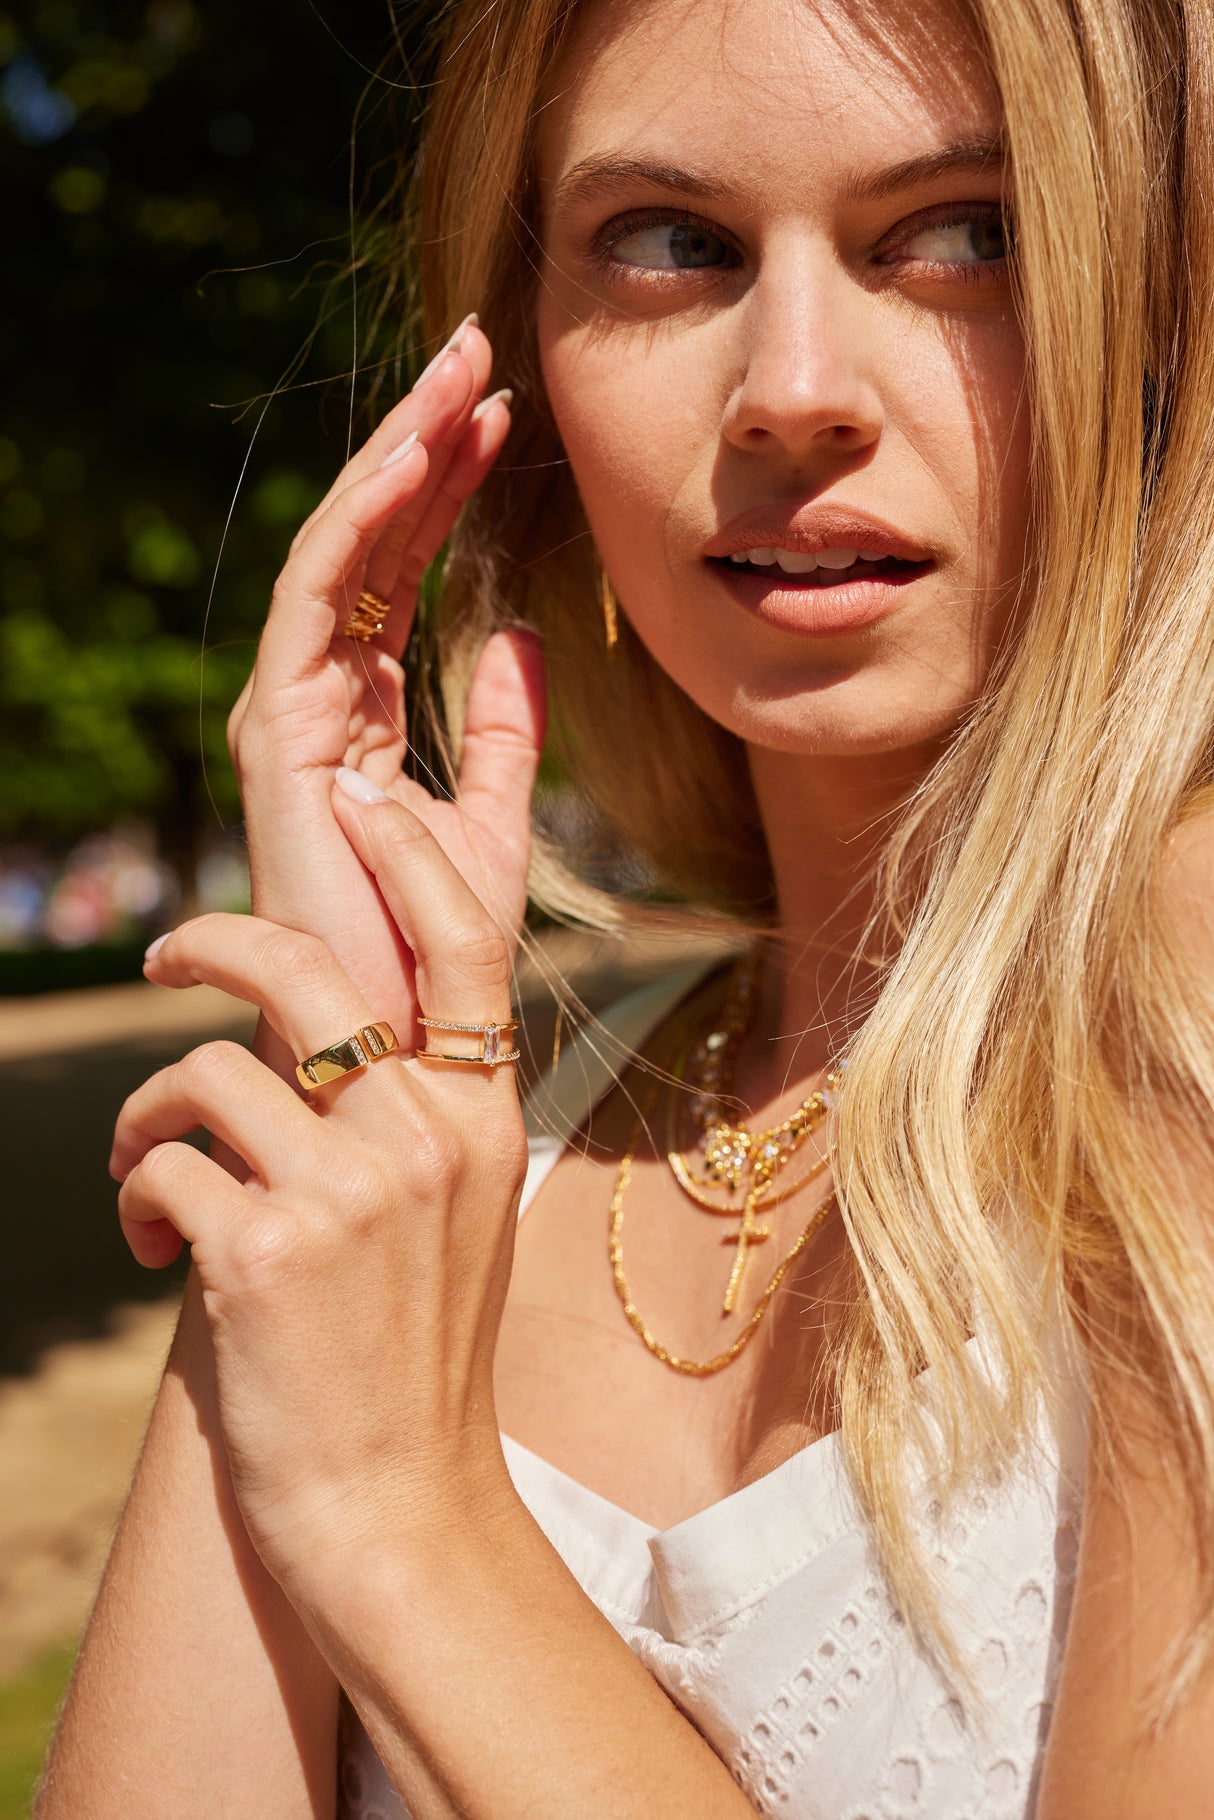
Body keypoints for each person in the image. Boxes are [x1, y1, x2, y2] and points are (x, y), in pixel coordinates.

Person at [36, 0, 1214, 1813]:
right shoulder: (525, 1112)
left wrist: (399, 1511)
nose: (791, 385)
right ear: (527, 380)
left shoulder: (1183, 988)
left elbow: (370, 1499)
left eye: (967, 230)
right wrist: (325, 1082)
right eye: (671, 245)